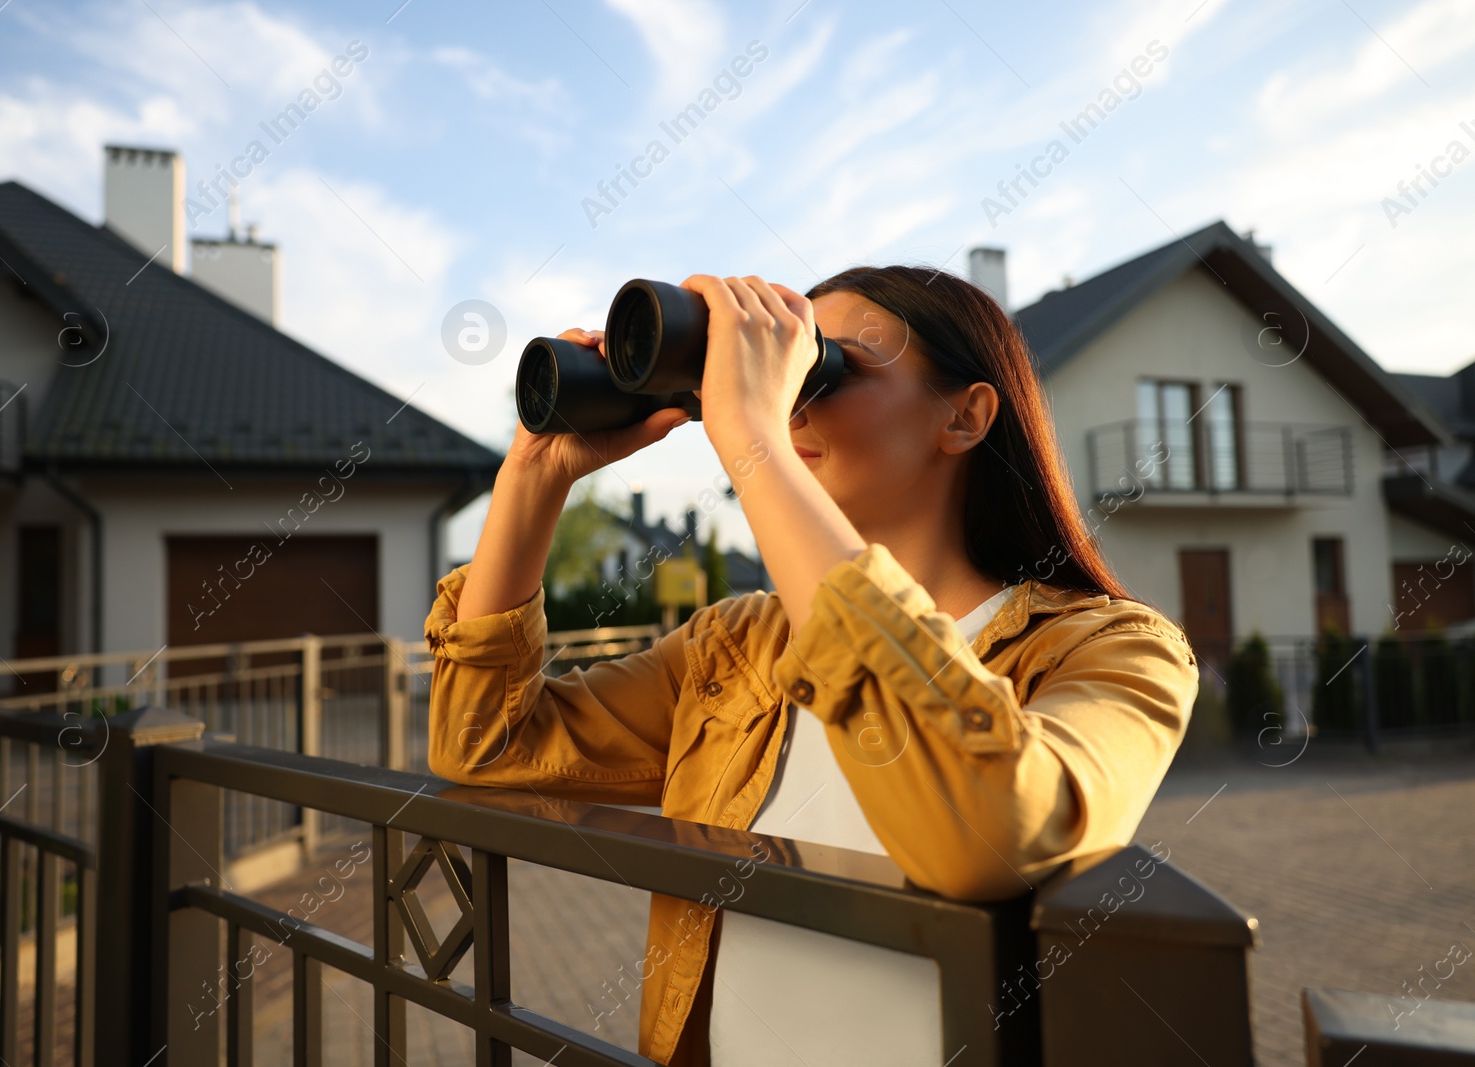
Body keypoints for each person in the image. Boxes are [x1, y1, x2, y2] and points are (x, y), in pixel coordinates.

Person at [423, 266, 1198, 1067]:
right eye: (783, 367)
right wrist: (534, 475)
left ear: (964, 416)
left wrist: (755, 438)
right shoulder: (737, 645)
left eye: (826, 366)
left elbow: (986, 834)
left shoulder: (1114, 651)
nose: (792, 398)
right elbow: (486, 742)